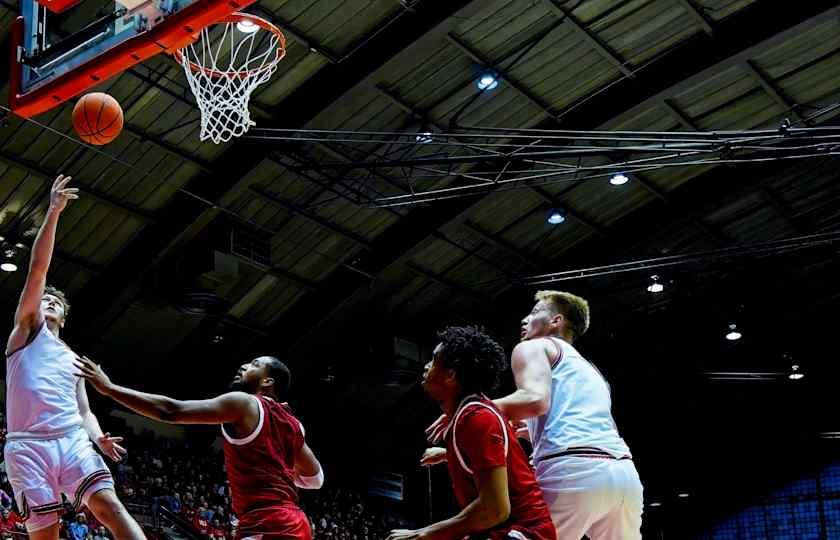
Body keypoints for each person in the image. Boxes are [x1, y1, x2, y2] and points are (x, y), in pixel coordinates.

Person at [429, 291, 643, 539]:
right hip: (624, 477)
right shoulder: (592, 372)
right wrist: (452, 452)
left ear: (556, 321)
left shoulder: (534, 347)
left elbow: (534, 400)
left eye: (534, 313)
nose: (524, 319)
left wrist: (469, 410)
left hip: (573, 473)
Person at [4, 174, 145, 540]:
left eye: (56, 302)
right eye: (44, 299)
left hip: (71, 439)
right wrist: (53, 211)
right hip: (27, 445)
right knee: (46, 533)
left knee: (110, 507)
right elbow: (38, 269)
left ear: (64, 318)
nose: (47, 301)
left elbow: (84, 412)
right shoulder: (25, 332)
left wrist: (99, 438)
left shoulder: (75, 360)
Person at [75, 355, 324, 539]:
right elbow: (315, 479)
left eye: (254, 364)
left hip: (268, 522)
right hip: (293, 521)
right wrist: (283, 470)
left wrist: (109, 388)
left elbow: (171, 411)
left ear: (267, 381)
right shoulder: (293, 424)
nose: (244, 366)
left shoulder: (245, 404)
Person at [388, 326, 555, 540]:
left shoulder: (478, 418)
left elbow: (494, 510)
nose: (427, 365)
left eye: (433, 359)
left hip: (525, 533)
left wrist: (423, 534)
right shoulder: (468, 416)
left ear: (451, 374)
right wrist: (449, 456)